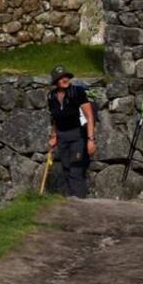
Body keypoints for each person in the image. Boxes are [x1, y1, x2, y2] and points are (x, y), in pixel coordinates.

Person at [47, 65, 97, 198]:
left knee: (76, 170)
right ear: (56, 81)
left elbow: (89, 116)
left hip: (77, 135)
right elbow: (54, 118)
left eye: (66, 77)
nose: (65, 79)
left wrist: (91, 140)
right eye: (61, 78)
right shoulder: (51, 96)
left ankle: (79, 202)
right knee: (66, 168)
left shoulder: (77, 92)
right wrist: (54, 135)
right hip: (62, 136)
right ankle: (70, 200)